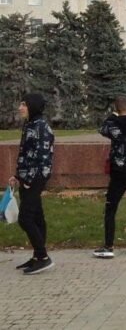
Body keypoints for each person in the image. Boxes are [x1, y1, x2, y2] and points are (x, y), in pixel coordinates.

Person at [94, 95, 126, 258]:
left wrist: (113, 116)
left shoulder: (112, 125)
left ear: (116, 109)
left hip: (119, 172)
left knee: (111, 208)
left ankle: (109, 246)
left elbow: (102, 129)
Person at [9, 94, 55, 275]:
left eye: (24, 104)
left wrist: (29, 180)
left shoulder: (41, 127)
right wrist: (17, 175)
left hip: (34, 179)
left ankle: (43, 257)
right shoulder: (30, 125)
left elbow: (43, 159)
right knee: (36, 217)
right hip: (27, 178)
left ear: (33, 106)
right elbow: (27, 154)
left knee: (25, 218)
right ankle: (37, 256)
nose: (20, 108)